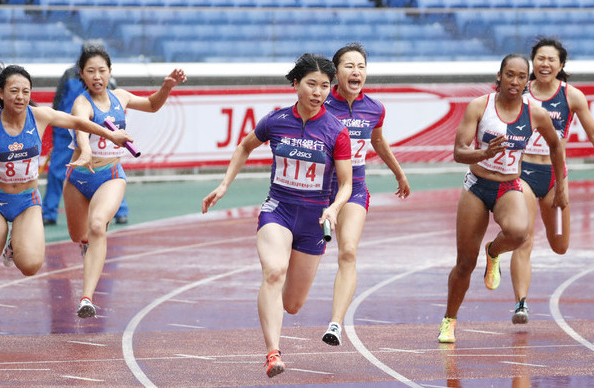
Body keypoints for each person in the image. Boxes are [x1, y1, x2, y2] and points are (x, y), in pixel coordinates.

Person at [201, 53, 352, 378]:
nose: (318, 92)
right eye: (311, 84)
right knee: (273, 271)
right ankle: (273, 354)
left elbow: (347, 184)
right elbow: (244, 146)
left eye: (325, 86)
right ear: (295, 83)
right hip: (278, 211)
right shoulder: (275, 120)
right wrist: (224, 185)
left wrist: (334, 208)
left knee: (293, 304)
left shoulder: (336, 131)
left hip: (314, 222)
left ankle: (275, 306)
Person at [0, 59, 132, 349]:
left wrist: (110, 134)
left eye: (26, 91)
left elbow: (77, 122)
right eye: (14, 91)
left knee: (30, 265)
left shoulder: (39, 116)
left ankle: (14, 245)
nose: (20, 97)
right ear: (0, 93)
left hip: (27, 202)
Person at [437, 54, 568, 343]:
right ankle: (449, 320)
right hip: (477, 186)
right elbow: (459, 152)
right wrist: (484, 153)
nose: (516, 81)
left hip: (509, 186)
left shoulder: (535, 113)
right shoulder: (480, 106)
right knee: (464, 264)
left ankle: (494, 251)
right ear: (499, 75)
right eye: (510, 75)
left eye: (522, 77)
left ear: (527, 80)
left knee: (520, 234)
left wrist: (562, 185)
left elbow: (556, 146)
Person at [507, 38, 594, 324]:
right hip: (522, 172)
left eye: (551, 59)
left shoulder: (572, 96)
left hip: (555, 177)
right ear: (532, 62)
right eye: (540, 58)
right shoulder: (521, 93)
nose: (545, 64)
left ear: (561, 65)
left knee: (560, 245)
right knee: (523, 238)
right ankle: (521, 304)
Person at [62, 46, 186, 319]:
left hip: (111, 175)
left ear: (110, 72)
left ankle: (86, 299)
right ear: (81, 73)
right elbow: (82, 129)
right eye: (91, 71)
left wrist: (167, 86)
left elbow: (153, 105)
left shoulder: (121, 97)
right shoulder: (81, 103)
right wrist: (84, 150)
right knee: (77, 235)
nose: (97, 76)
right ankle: (87, 243)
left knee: (97, 225)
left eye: (102, 71)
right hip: (78, 177)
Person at [321, 42, 410, 346]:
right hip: (316, 191)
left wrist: (398, 172)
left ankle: (335, 324)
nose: (356, 71)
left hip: (355, 190)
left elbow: (378, 141)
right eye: (349, 66)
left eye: (361, 66)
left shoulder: (374, 108)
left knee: (347, 251)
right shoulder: (320, 104)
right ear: (335, 73)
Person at [42, 40, 129, 226]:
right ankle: (49, 213)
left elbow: (113, 106)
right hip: (66, 131)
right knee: (59, 171)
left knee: (110, 170)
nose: (96, 74)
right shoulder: (68, 74)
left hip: (98, 131)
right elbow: (57, 103)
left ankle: (120, 210)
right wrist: (58, 130)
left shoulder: (108, 80)